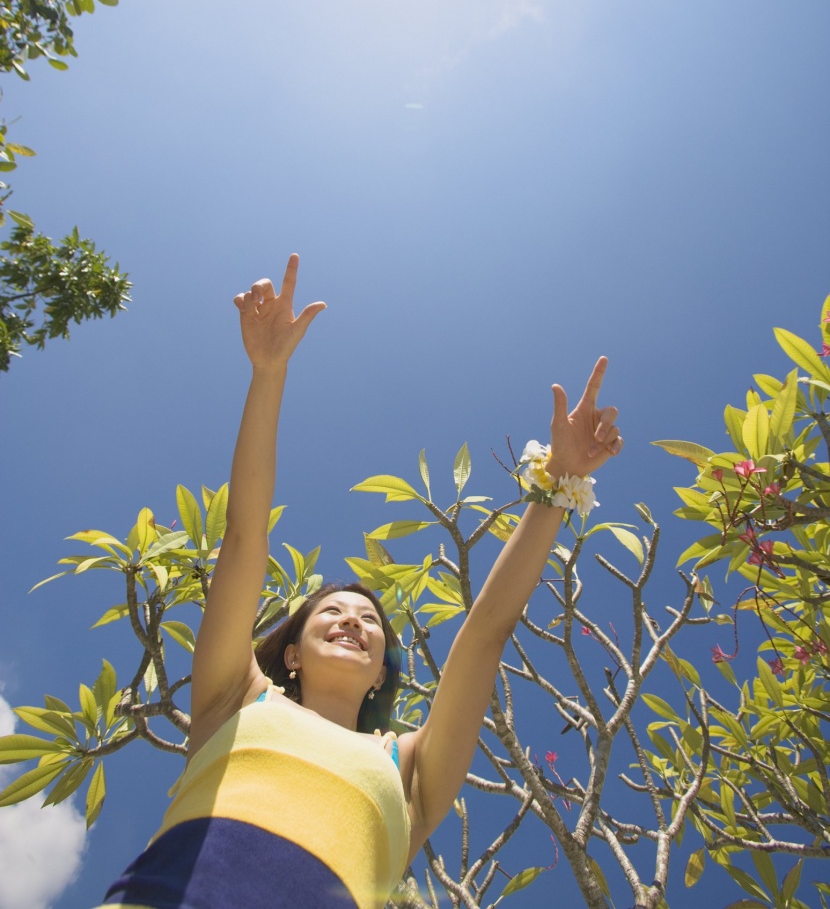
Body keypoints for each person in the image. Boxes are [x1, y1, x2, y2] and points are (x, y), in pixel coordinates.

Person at [99, 254, 622, 909]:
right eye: (333, 611)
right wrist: (268, 374)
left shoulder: (409, 769)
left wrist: (556, 486)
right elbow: (244, 537)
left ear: (380, 672)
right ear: (290, 651)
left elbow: (487, 630)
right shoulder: (232, 698)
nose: (352, 619)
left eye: (370, 619)